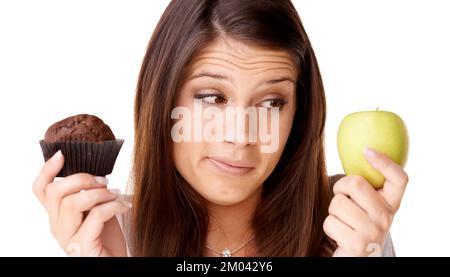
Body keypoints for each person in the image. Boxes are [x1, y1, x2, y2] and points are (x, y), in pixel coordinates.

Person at [32, 0, 408, 257]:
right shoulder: (107, 235)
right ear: (163, 101)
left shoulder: (350, 223)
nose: (240, 134)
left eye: (271, 103)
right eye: (212, 98)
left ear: (299, 114)